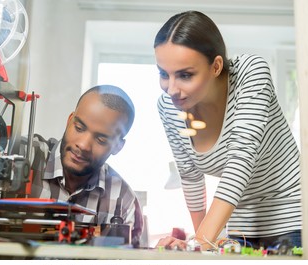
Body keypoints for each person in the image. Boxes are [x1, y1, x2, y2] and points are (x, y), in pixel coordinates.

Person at [154, 11, 302, 251]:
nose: (171, 89)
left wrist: (199, 244)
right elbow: (190, 176)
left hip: (291, 217)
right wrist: (203, 244)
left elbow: (240, 160)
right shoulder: (169, 108)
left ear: (216, 66)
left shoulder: (250, 74)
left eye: (185, 75)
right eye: (163, 74)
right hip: (240, 225)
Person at [29, 85, 143, 247]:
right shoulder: (26, 157)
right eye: (79, 128)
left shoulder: (123, 200)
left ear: (118, 146)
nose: (83, 145)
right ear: (69, 121)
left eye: (101, 140)